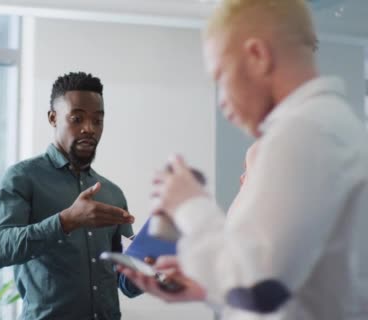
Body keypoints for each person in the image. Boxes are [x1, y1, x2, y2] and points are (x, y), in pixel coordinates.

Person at [120, 0, 368, 319]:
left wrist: (189, 204)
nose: (222, 102)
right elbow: (287, 282)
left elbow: (257, 286)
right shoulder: (337, 126)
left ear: (257, 56)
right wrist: (207, 287)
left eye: (221, 76)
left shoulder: (300, 134)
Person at [0, 72, 143, 320]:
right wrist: (66, 221)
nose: (89, 129)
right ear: (53, 118)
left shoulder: (112, 193)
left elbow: (122, 281)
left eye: (97, 120)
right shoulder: (23, 178)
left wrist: (147, 272)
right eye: (77, 118)